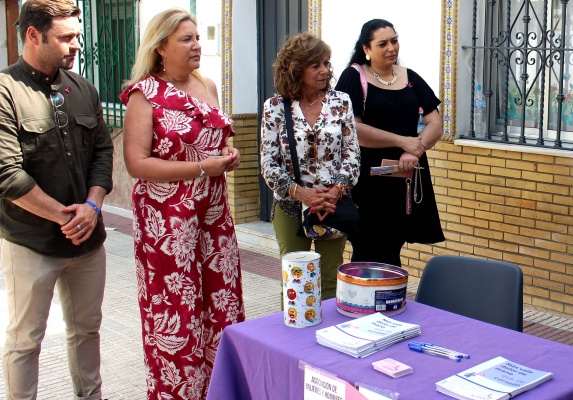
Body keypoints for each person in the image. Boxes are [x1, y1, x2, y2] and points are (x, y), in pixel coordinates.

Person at [120, 8, 244, 399]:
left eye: (196, 37)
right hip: (167, 223)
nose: (197, 45)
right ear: (161, 48)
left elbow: (213, 139)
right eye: (185, 39)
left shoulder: (207, 84)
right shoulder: (145, 95)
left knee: (220, 303)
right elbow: (136, 163)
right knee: (175, 311)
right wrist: (202, 167)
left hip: (213, 214)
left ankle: (220, 389)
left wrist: (227, 154)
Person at [0, 1, 113, 398]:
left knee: (87, 331)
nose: (76, 46)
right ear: (34, 35)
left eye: (78, 36)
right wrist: (66, 216)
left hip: (87, 242)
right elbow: (6, 174)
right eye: (66, 37)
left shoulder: (83, 88)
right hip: (31, 242)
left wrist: (93, 206)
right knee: (24, 341)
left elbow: (103, 152)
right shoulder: (5, 91)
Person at [335, 19, 444, 267]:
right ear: (366, 48)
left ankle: (389, 300)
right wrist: (403, 141)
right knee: (367, 244)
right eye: (382, 43)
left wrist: (415, 151)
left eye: (394, 40)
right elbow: (353, 129)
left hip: (403, 178)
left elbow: (435, 123)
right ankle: (363, 301)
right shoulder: (353, 76)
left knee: (393, 242)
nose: (391, 47)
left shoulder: (410, 77)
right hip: (367, 180)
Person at [260, 32, 360, 300]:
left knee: (330, 279)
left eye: (327, 64)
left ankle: (326, 339)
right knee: (295, 281)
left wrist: (336, 190)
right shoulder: (275, 108)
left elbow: (352, 155)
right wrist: (301, 194)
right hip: (291, 206)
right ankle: (292, 340)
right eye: (316, 65)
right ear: (295, 70)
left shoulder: (341, 102)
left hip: (333, 205)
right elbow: (269, 163)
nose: (325, 71)